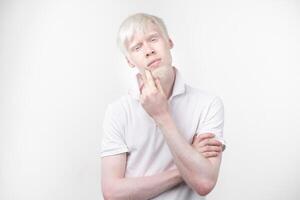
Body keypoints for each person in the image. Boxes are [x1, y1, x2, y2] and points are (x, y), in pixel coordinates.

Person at [101, 13, 226, 200]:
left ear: (169, 42)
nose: (149, 50)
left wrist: (162, 115)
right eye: (137, 47)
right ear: (129, 61)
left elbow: (204, 183)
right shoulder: (118, 111)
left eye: (153, 39)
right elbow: (112, 193)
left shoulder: (208, 104)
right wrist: (186, 166)